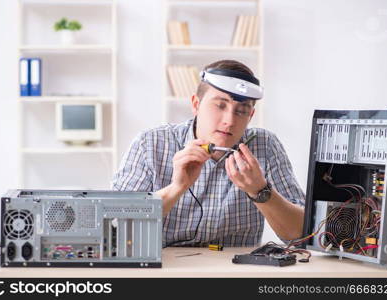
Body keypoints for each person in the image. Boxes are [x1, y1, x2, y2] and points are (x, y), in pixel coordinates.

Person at [112, 59, 305, 247]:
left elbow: (301, 235)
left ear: (250, 116)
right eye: (220, 105)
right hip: (165, 271)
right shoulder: (151, 143)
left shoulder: (265, 145)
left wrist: (260, 191)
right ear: (196, 104)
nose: (229, 121)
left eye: (241, 111)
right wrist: (176, 188)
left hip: (236, 273)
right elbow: (113, 228)